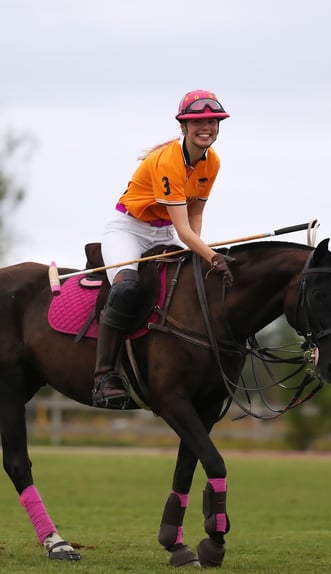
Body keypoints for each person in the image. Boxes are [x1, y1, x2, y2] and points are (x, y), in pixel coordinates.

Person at [93, 89, 236, 408]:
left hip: (166, 231)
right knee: (127, 289)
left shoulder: (211, 162)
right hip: (129, 228)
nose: (206, 127)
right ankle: (104, 376)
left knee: (192, 281)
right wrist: (210, 254)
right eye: (198, 121)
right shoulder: (168, 160)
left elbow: (195, 214)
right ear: (183, 126)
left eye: (213, 121)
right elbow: (185, 229)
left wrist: (200, 256)